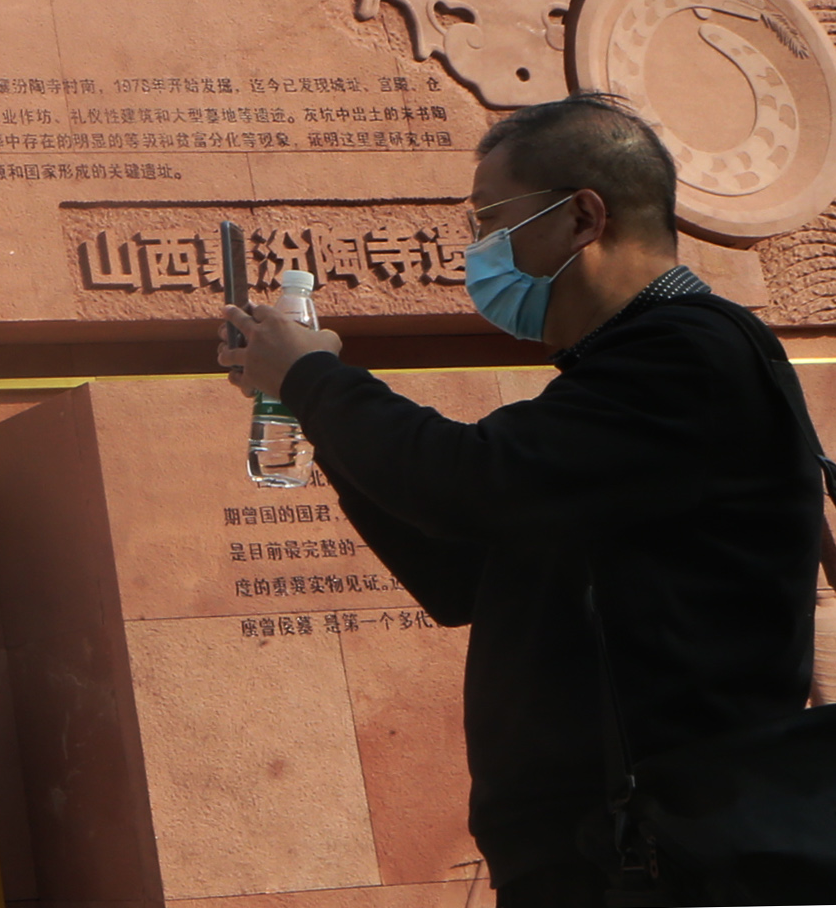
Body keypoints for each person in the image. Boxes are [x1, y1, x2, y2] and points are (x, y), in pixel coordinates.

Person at [226, 94, 824, 908]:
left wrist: (313, 379)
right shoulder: (628, 372)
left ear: (581, 217)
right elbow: (459, 569)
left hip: (659, 848)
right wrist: (314, 414)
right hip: (595, 847)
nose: (476, 252)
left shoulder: (686, 353)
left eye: (489, 222)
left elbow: (471, 484)